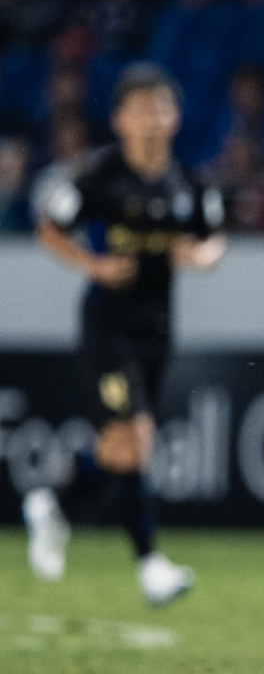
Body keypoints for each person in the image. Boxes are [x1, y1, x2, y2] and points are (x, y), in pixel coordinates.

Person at [23, 63, 225, 606]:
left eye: (160, 108)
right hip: (107, 326)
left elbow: (214, 239)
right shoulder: (97, 176)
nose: (152, 119)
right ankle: (150, 565)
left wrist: (201, 257)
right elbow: (48, 227)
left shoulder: (189, 184)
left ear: (175, 117)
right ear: (119, 120)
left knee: (119, 449)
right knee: (136, 438)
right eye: (141, 109)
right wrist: (92, 265)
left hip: (156, 329)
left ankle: (55, 503)